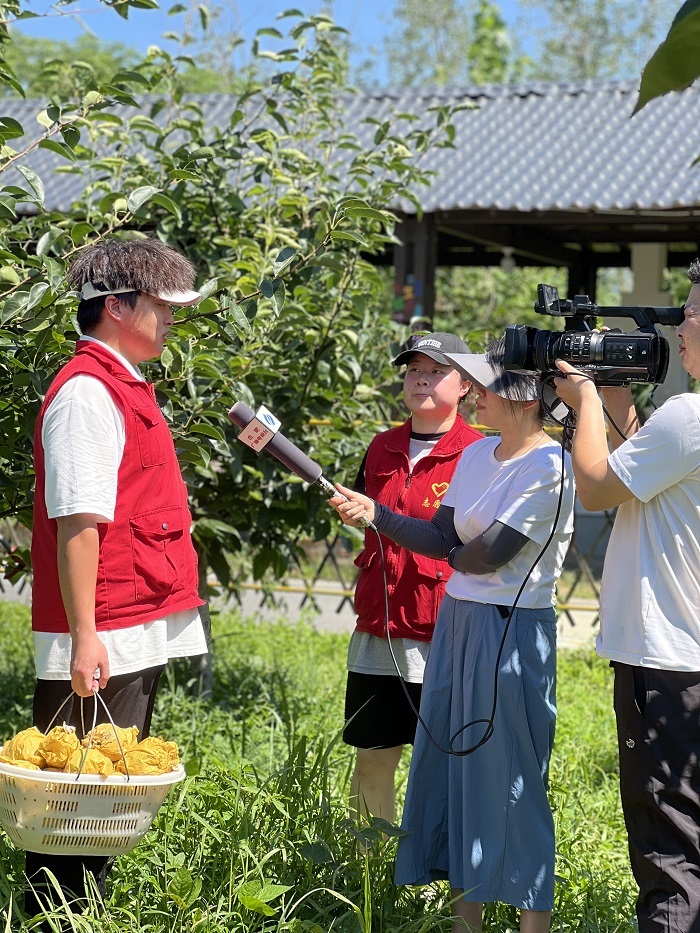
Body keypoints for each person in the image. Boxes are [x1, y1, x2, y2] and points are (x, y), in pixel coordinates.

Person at [331, 341, 575, 933]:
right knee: (455, 770)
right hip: (459, 623)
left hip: (509, 628)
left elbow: (486, 555)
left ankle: (532, 922)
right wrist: (380, 516)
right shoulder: (478, 454)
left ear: (524, 398)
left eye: (486, 384)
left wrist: (454, 552)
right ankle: (466, 921)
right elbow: (445, 541)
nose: (477, 392)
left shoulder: (550, 465)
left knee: (514, 777)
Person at [25, 238, 208, 919]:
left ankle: (81, 914)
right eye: (162, 305)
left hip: (129, 621)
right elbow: (78, 521)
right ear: (115, 307)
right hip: (104, 628)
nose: (171, 318)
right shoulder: (85, 394)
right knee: (74, 801)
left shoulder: (122, 384)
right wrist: (84, 636)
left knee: (104, 795)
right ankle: (54, 918)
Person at [553, 261, 700, 933]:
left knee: (670, 851)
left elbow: (595, 486)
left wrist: (583, 398)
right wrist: (612, 394)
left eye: (689, 312)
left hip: (666, 666)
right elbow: (636, 467)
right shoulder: (683, 426)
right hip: (688, 661)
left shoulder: (690, 417)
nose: (678, 324)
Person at [344, 332, 483, 824]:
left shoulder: (480, 453)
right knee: (372, 758)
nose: (421, 379)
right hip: (380, 627)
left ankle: (434, 862)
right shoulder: (381, 446)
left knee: (447, 764)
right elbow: (371, 516)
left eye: (436, 371)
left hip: (444, 630)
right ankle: (369, 862)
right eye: (413, 370)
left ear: (465, 385)